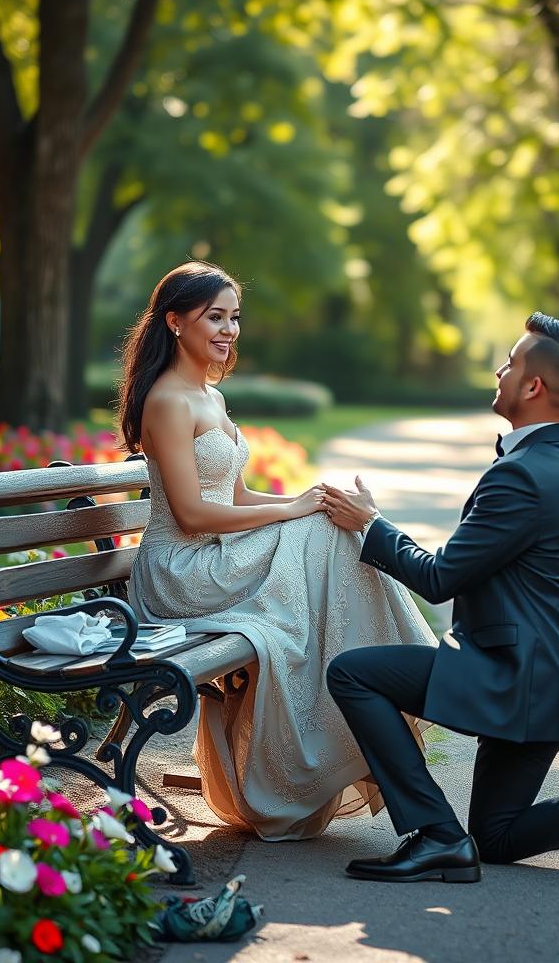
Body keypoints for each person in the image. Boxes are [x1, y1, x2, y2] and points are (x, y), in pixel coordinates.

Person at [321, 313, 559, 883]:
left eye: (510, 363)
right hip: (552, 681)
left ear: (533, 387)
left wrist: (372, 524)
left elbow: (440, 579)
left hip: (512, 676)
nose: (500, 371)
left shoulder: (524, 475)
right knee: (496, 837)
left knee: (354, 674)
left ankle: (433, 833)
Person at [118, 261, 435, 841]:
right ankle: (418, 670)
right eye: (215, 317)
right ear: (175, 322)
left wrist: (302, 502)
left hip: (216, 555)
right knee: (322, 534)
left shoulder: (207, 396)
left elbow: (234, 494)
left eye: (234, 317)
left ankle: (384, 687)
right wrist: (291, 512)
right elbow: (191, 513)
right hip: (180, 571)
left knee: (331, 524)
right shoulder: (168, 401)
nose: (229, 330)